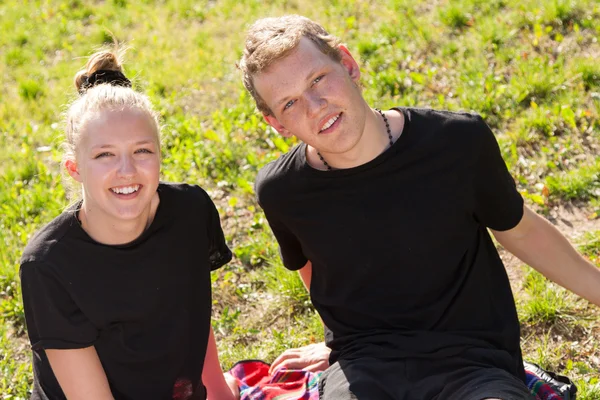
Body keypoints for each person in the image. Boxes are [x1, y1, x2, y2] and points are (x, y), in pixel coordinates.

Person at [238, 15, 600, 400]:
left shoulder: (457, 143)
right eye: (290, 102)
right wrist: (336, 345)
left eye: (317, 79)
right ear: (275, 123)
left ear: (348, 64)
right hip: (364, 366)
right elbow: (312, 267)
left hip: (474, 362)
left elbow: (522, 230)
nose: (315, 106)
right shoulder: (282, 190)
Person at [19, 49, 239, 400]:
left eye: (142, 151)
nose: (126, 170)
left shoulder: (191, 210)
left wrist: (217, 390)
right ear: (75, 168)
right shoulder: (48, 266)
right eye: (105, 154)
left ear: (160, 155)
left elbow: (193, 308)